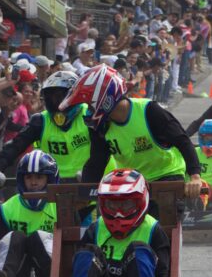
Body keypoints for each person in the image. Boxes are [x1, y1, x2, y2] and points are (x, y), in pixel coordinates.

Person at [59, 66, 203, 196]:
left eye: (89, 105)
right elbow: (97, 162)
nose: (88, 112)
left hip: (167, 176)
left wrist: (195, 176)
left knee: (159, 221)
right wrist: (84, 194)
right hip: (130, 183)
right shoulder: (100, 126)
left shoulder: (149, 110)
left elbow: (182, 140)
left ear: (103, 99)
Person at [61, 168, 171, 277]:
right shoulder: (95, 228)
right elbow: (77, 269)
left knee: (138, 248)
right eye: (112, 205)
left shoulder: (153, 229)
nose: (118, 213)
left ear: (140, 201)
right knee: (87, 252)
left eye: (126, 204)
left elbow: (164, 273)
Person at [0, 71, 91, 183]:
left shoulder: (90, 115)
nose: (56, 102)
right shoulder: (40, 120)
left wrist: (91, 172)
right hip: (52, 184)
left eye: (61, 97)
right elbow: (15, 146)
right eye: (51, 97)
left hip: (90, 184)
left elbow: (102, 149)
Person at [0, 150, 58, 277]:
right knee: (16, 236)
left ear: (50, 179)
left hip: (48, 270)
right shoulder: (8, 207)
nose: (34, 182)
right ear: (21, 179)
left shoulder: (60, 205)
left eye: (39, 177)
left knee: (38, 237)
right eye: (29, 177)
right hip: (16, 269)